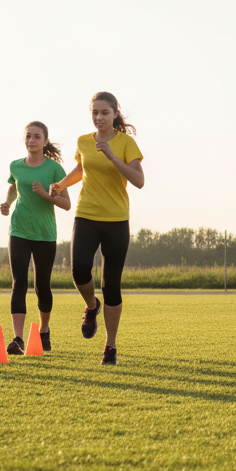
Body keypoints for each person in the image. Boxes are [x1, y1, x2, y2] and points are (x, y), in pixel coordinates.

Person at [48, 92, 143, 365]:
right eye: (95, 113)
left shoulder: (127, 144)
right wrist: (62, 185)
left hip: (116, 220)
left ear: (115, 113)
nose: (99, 117)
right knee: (78, 271)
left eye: (104, 112)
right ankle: (92, 306)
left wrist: (114, 157)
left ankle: (110, 347)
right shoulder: (83, 142)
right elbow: (82, 169)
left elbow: (139, 181)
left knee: (111, 285)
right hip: (86, 215)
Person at [0, 122, 71, 354]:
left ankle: (44, 330)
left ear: (45, 141)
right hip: (19, 230)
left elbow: (67, 204)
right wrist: (7, 203)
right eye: (28, 136)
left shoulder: (54, 169)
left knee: (42, 285)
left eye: (37, 137)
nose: (32, 140)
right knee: (19, 282)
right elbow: (14, 187)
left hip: (44, 234)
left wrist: (46, 195)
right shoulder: (16, 166)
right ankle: (18, 339)